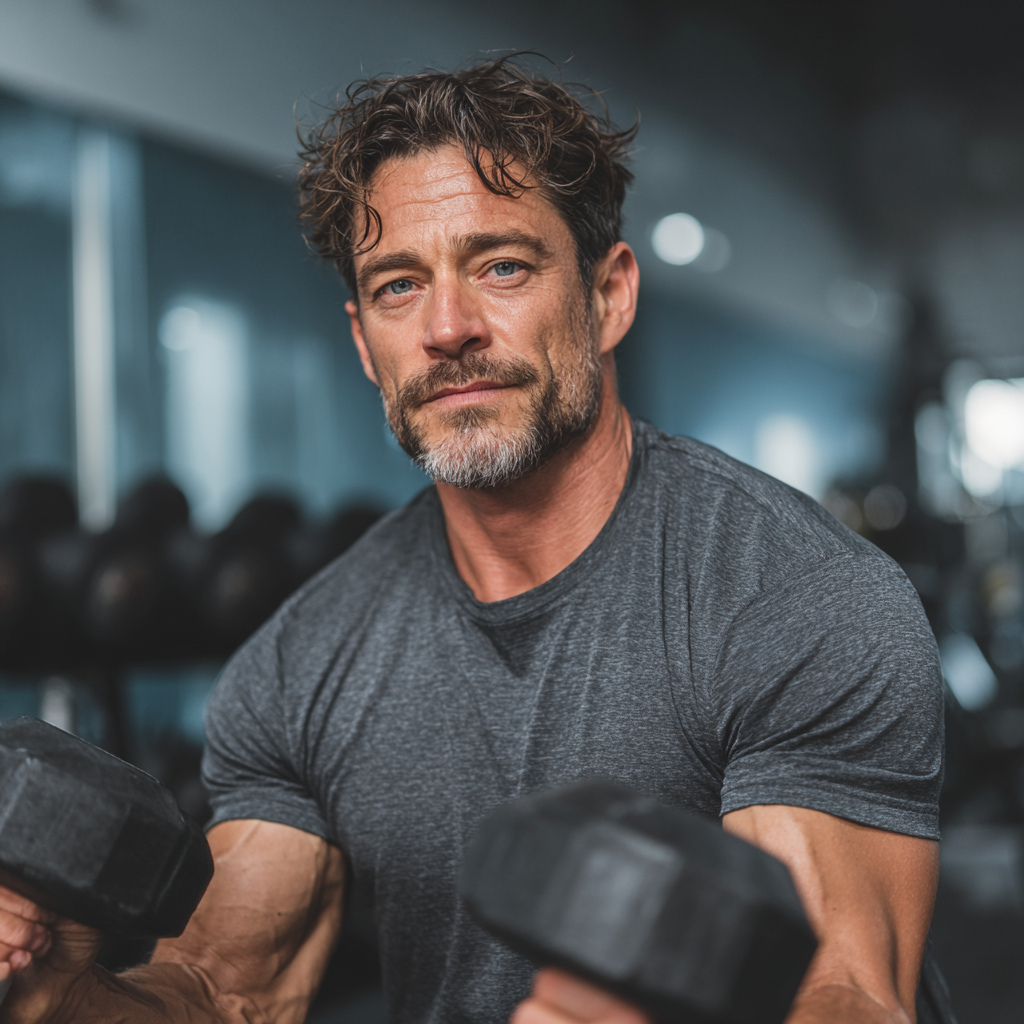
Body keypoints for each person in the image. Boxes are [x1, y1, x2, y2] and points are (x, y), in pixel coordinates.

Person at [0, 57, 944, 1024]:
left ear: (609, 295)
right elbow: (222, 993)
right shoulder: (298, 664)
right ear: (367, 345)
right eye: (400, 285)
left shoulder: (797, 597)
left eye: (501, 265)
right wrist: (55, 994)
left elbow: (848, 994)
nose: (448, 328)